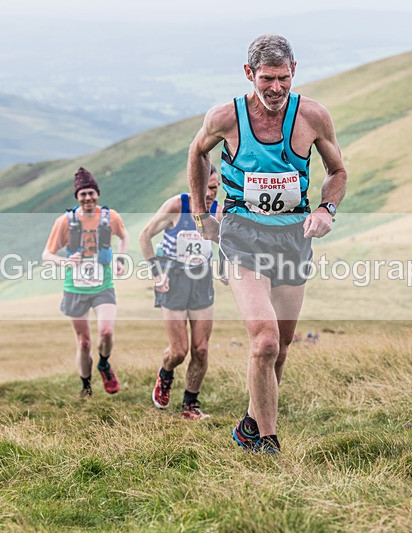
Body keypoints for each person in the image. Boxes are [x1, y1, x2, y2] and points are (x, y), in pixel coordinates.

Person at [187, 34, 347, 453]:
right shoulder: (227, 117)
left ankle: (249, 423)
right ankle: (268, 443)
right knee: (265, 340)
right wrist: (204, 216)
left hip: (294, 236)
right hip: (242, 233)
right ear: (249, 74)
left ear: (294, 72)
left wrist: (326, 210)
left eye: (284, 79)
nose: (276, 88)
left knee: (282, 348)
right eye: (266, 79)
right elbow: (197, 152)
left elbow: (337, 171)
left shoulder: (312, 115)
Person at [139, 165, 221, 420]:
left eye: (214, 188)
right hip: (173, 278)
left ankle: (190, 406)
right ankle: (165, 374)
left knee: (201, 349)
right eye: (206, 187)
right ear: (193, 186)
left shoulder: (219, 210)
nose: (210, 193)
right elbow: (144, 236)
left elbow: (228, 242)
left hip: (201, 279)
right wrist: (156, 271)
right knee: (178, 351)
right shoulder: (176, 206)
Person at [43, 167, 129, 398]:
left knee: (107, 332)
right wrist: (65, 262)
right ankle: (86, 386)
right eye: (83, 194)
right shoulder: (65, 222)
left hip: (103, 285)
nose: (88, 197)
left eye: (91, 193)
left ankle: (103, 364)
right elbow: (47, 255)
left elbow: (124, 236)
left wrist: (120, 258)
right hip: (75, 288)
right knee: (84, 343)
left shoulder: (110, 217)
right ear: (77, 197)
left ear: (97, 194)